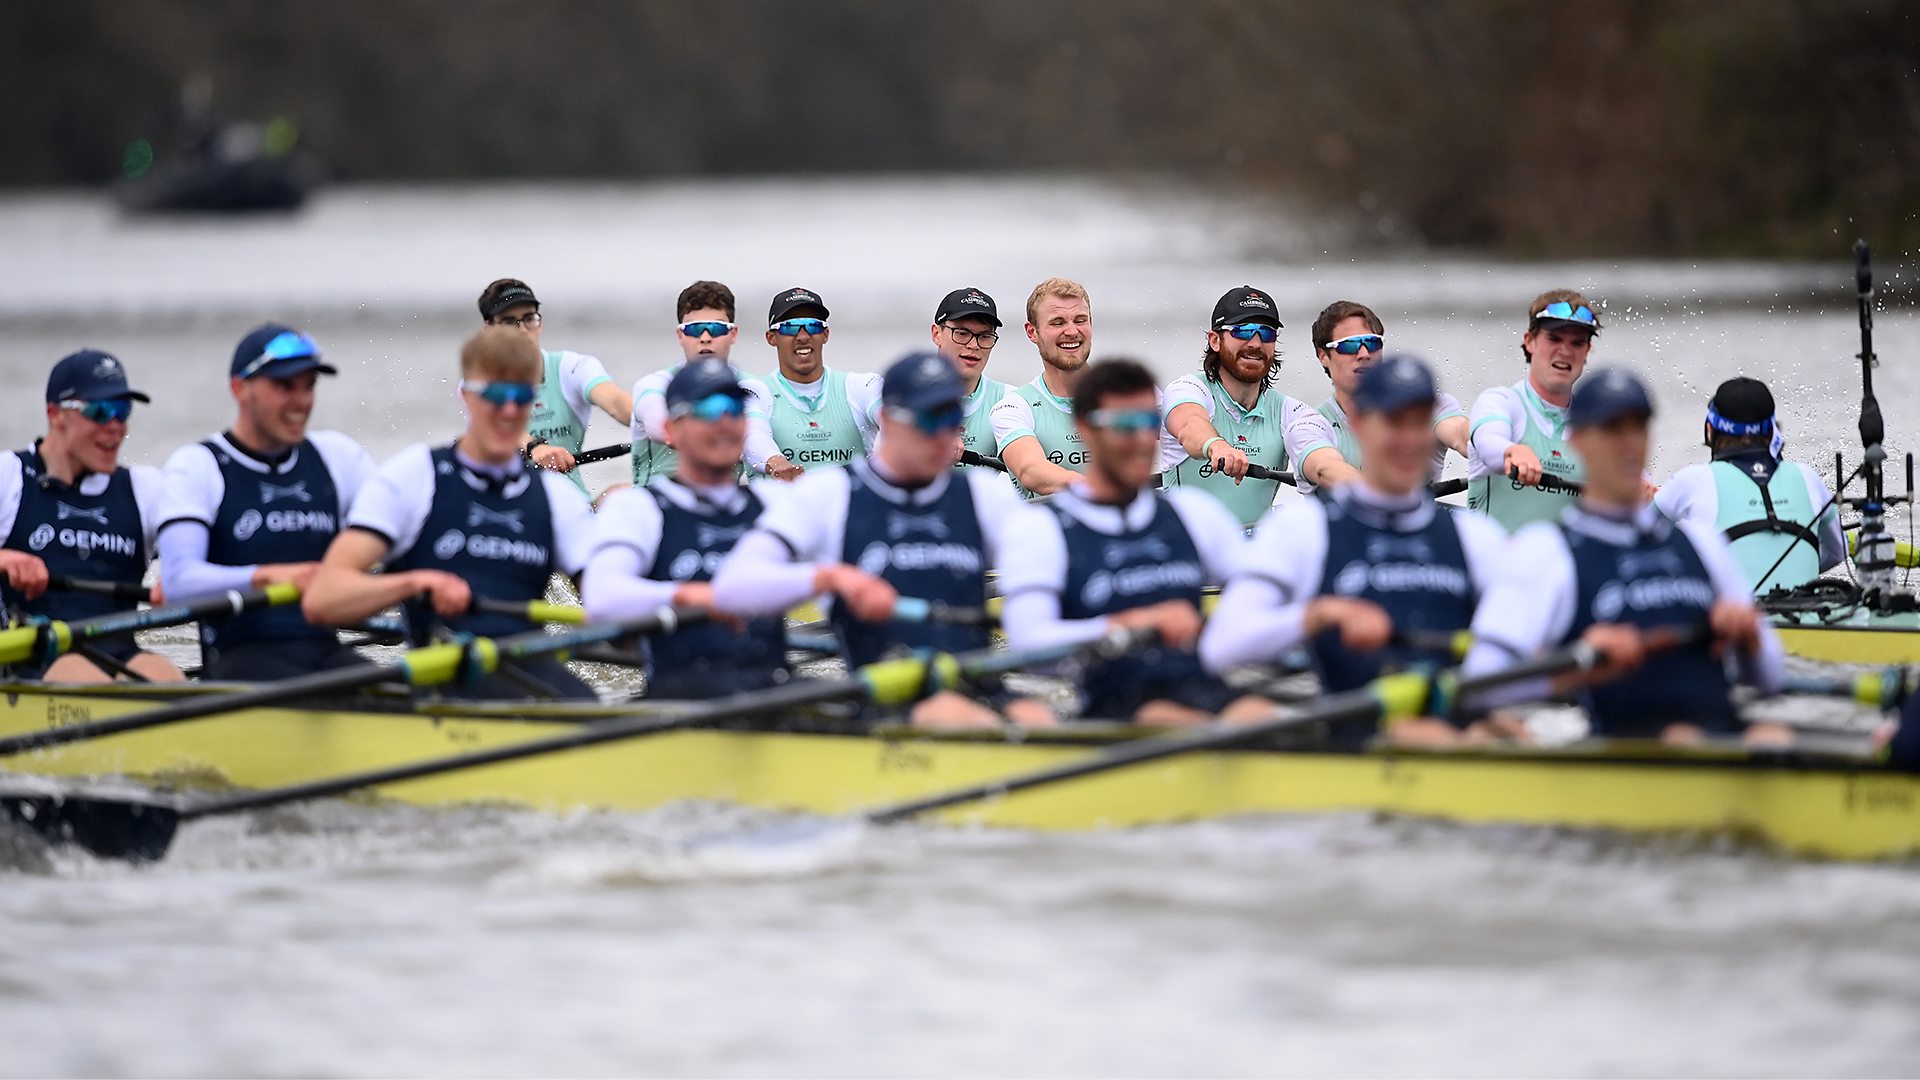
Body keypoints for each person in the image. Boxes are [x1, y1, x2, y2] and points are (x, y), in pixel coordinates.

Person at [712, 352, 1047, 728]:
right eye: (927, 419)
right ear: (886, 418)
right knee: (950, 713)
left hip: (977, 686)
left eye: (952, 419)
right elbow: (732, 588)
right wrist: (830, 579)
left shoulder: (985, 495)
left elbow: (1054, 580)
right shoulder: (831, 493)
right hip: (885, 696)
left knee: (1040, 714)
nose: (942, 435)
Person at [1460, 370, 1788, 745]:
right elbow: (1477, 685)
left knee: (1772, 735)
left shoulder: (1701, 543)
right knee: (1683, 738)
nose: (1629, 444)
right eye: (1613, 429)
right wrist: (1577, 665)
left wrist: (1749, 640)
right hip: (1624, 748)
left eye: (1638, 428)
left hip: (1724, 738)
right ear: (1578, 441)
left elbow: (1772, 676)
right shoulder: (1546, 552)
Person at [1201, 356, 1509, 745]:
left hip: (1447, 730)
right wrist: (1318, 615)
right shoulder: (1305, 529)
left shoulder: (1475, 537)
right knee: (1247, 714)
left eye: (1419, 423)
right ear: (1360, 425)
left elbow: (1524, 654)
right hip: (1348, 735)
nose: (1410, 440)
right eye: (1394, 423)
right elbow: (1221, 646)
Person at [301, 327, 597, 700]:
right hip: (446, 679)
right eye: (494, 395)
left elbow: (609, 599)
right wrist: (413, 584)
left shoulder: (557, 497)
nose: (508, 410)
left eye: (521, 397)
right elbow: (324, 597)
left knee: (591, 700)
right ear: (465, 397)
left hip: (528, 674)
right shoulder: (413, 477)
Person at [997, 359, 1272, 726]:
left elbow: (1265, 602)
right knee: (1168, 714)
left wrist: (1317, 616)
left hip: (1205, 692)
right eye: (1125, 425)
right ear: (1085, 428)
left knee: (1265, 712)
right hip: (1116, 708)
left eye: (1149, 424)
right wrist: (1133, 624)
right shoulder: (1042, 528)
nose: (1144, 441)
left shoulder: (1191, 513)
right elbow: (1029, 641)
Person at [158, 324, 376, 680]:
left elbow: (407, 536)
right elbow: (179, 581)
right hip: (240, 659)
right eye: (284, 386)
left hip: (324, 653)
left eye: (309, 386)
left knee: (404, 696)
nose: (302, 401)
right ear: (239, 388)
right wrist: (272, 576)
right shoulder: (199, 465)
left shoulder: (337, 457)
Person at [583, 360, 788, 699]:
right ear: (672, 428)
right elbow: (602, 600)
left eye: (734, 409)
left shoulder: (774, 502)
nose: (724, 421)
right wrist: (689, 597)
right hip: (679, 700)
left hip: (773, 692)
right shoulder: (640, 508)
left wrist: (830, 581)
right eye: (708, 409)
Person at [0, 351, 180, 682]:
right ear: (55, 414)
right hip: (27, 657)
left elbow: (211, 553)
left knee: (163, 676)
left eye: (123, 413)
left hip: (121, 654)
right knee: (81, 674)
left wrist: (186, 574)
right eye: (100, 412)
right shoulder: (8, 476)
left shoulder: (146, 488)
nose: (115, 427)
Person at [1160, 285, 1343, 525]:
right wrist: (1217, 447)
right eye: (1244, 331)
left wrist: (1352, 482)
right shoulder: (1188, 390)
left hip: (1256, 552)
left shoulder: (1291, 412)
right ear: (1215, 340)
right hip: (1188, 548)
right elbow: (1188, 423)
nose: (1256, 343)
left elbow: (1319, 457)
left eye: (1266, 333)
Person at [1654, 376, 1845, 593]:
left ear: (1710, 430)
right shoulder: (1807, 477)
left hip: (1735, 623)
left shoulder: (1690, 481)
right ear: (1773, 432)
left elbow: (1630, 542)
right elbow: (1838, 552)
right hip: (1811, 617)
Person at [478, 278, 633, 501]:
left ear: (539, 323)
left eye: (529, 318)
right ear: (488, 329)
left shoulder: (572, 368)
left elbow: (616, 402)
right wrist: (535, 448)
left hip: (571, 505)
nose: (522, 330)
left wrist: (654, 419)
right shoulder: (478, 383)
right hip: (508, 510)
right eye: (510, 322)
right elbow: (496, 426)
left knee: (623, 495)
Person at [629, 280, 794, 486]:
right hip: (656, 510)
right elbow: (658, 422)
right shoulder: (654, 385)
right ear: (680, 335)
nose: (705, 337)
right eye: (694, 329)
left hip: (720, 510)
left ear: (733, 334)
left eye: (716, 329)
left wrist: (774, 461)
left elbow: (754, 432)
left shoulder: (749, 387)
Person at [1466, 290, 1600, 532]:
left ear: (1587, 351)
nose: (1565, 351)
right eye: (1554, 339)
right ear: (1530, 342)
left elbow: (1632, 477)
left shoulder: (1596, 425)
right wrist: (1511, 451)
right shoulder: (1500, 402)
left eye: (1577, 343)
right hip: (1494, 564)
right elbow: (1489, 442)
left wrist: (1643, 490)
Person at [1308, 300, 1470, 479]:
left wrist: (1492, 439)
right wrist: (1382, 494)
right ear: (1323, 356)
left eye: (1372, 343)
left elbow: (1460, 435)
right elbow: (1324, 466)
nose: (1364, 354)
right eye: (1350, 345)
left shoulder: (1426, 406)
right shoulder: (1311, 424)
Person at [991, 277, 1099, 497]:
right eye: (1058, 322)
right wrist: (1101, 492)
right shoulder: (1014, 408)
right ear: (1032, 332)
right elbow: (1032, 471)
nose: (1071, 331)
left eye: (1080, 320)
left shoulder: (1126, 394)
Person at [758, 287, 881, 472]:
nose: (803, 336)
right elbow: (752, 434)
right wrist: (774, 460)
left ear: (825, 334)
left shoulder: (860, 386)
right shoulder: (756, 392)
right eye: (790, 327)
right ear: (771, 337)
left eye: (812, 326)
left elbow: (893, 421)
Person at [929, 286, 1012, 467]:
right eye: (962, 333)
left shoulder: (1010, 400)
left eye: (984, 336)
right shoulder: (905, 394)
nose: (973, 345)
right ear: (936, 334)